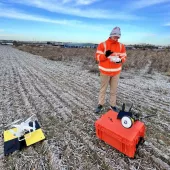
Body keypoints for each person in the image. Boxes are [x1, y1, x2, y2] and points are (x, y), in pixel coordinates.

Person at [95, 26, 127, 113]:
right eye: (115, 36)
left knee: (114, 90)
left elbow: (124, 56)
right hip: (104, 72)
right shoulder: (102, 45)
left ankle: (113, 105)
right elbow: (98, 57)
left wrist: (120, 60)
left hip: (116, 72)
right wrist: (105, 55)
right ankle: (100, 104)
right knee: (103, 89)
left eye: (118, 37)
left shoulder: (121, 46)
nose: (116, 38)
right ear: (111, 35)